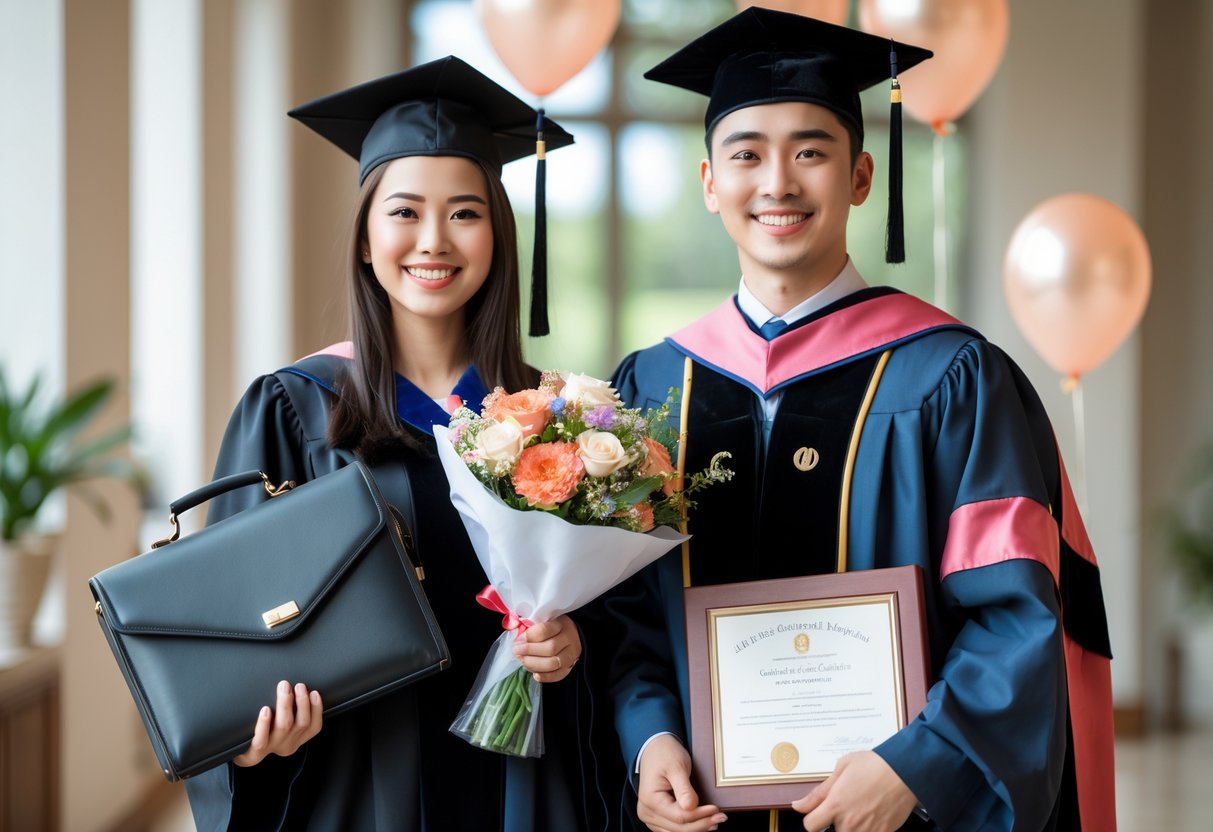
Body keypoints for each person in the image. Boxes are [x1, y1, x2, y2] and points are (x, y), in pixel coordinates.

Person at [597, 8, 1115, 832]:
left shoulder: (951, 375)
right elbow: (624, 615)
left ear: (860, 175)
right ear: (708, 184)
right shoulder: (653, 386)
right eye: (745, 154)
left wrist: (917, 765)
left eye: (810, 150)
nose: (776, 182)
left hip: (895, 812)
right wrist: (648, 736)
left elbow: (1015, 612)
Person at [184, 56, 604, 831]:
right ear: (366, 238)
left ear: (498, 235)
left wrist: (572, 645)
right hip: (354, 779)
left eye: (465, 213)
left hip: (519, 781)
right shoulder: (294, 406)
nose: (433, 241)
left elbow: (610, 621)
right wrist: (250, 743)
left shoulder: (557, 415)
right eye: (404, 212)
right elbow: (231, 629)